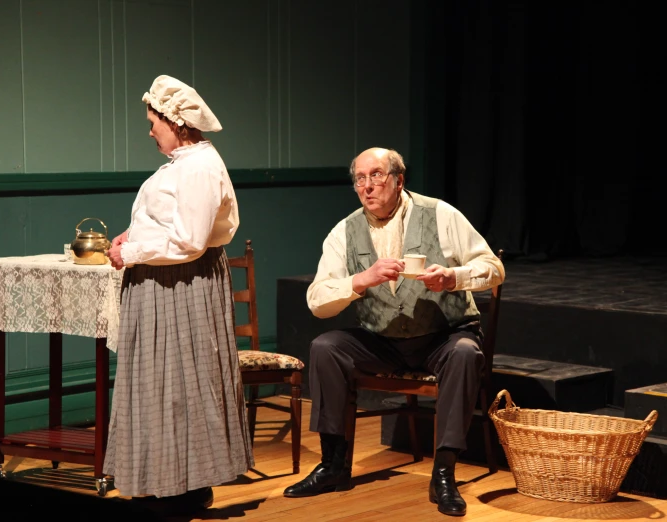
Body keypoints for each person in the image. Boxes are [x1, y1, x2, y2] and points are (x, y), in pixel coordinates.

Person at [283, 147, 505, 516]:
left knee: (466, 352)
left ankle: (444, 473)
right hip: (383, 340)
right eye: (360, 179)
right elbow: (317, 300)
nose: (367, 186)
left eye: (376, 176)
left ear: (399, 180)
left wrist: (454, 277)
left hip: (443, 335)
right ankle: (333, 464)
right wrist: (359, 281)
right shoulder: (345, 230)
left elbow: (493, 267)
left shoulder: (440, 214)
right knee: (326, 347)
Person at [103, 74, 253, 515]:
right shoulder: (183, 163)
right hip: (162, 282)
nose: (149, 131)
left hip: (181, 285)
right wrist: (134, 234)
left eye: (154, 122)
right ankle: (163, 480)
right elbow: (171, 221)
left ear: (177, 121)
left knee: (180, 386)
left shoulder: (200, 167)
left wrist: (131, 250)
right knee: (159, 383)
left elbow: (189, 241)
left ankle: (185, 488)